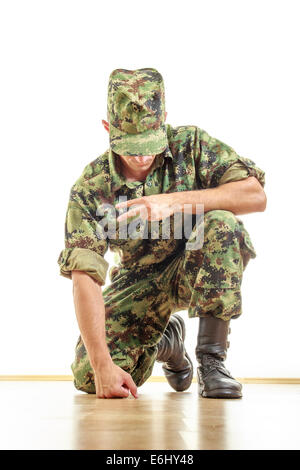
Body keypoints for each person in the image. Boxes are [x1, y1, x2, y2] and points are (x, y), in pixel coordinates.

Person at [57, 68, 266, 399]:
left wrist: (174, 202)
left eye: (149, 143)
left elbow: (254, 195)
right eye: (130, 146)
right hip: (137, 283)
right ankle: (169, 341)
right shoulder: (92, 188)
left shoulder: (192, 145)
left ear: (164, 120)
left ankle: (212, 362)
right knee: (89, 373)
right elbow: (85, 274)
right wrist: (101, 365)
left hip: (196, 266)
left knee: (223, 224)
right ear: (108, 129)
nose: (141, 156)